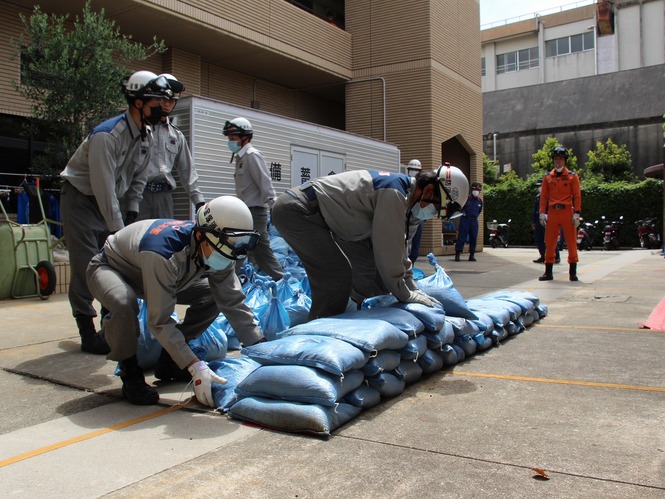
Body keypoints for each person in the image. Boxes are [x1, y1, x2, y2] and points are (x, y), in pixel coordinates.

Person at [86, 196, 267, 406]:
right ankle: (130, 373)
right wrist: (194, 365)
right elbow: (160, 321)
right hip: (112, 268)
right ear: (201, 236)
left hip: (161, 275)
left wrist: (260, 346)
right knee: (123, 302)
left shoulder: (222, 247)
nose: (227, 257)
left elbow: (232, 301)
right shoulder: (164, 251)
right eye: (225, 249)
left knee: (211, 295)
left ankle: (170, 362)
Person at [60, 71, 174, 355]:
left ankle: (108, 327)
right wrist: (117, 230)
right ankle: (87, 329)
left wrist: (132, 213)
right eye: (156, 100)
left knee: (114, 266)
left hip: (111, 201)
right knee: (88, 265)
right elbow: (103, 188)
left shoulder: (145, 135)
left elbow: (138, 179)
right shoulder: (107, 136)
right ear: (137, 102)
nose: (163, 106)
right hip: (82, 200)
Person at [271, 165, 469, 319]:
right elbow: (388, 250)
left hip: (334, 223)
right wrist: (404, 293)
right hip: (299, 210)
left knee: (370, 271)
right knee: (336, 274)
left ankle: (352, 312)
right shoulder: (394, 192)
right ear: (427, 191)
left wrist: (411, 286)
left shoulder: (411, 208)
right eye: (436, 209)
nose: (433, 215)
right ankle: (317, 334)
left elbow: (401, 252)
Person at [135, 73, 205, 220]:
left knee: (162, 237)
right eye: (164, 99)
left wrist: (199, 203)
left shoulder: (176, 135)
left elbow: (188, 171)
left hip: (164, 197)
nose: (167, 104)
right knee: (134, 239)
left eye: (172, 100)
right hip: (138, 194)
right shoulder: (138, 127)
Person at [223, 117, 284, 282]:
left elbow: (265, 183)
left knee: (244, 249)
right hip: (245, 213)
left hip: (255, 213)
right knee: (257, 252)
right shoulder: (240, 158)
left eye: (233, 137)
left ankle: (229, 284)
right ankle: (279, 280)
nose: (230, 141)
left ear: (245, 137)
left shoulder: (252, 156)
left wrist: (274, 207)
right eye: (229, 138)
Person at [539, 146, 582, 281]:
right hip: (552, 212)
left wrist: (577, 213)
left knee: (571, 242)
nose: (558, 162)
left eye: (561, 159)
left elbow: (577, 195)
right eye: (556, 159)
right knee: (550, 242)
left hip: (567, 212)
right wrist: (542, 212)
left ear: (565, 161)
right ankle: (548, 272)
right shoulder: (547, 177)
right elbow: (544, 196)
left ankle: (572, 272)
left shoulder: (572, 177)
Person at [532, 179, 560, 264]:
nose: (539, 188)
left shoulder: (550, 196)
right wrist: (533, 222)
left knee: (550, 239)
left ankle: (556, 256)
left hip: (548, 219)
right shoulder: (538, 197)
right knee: (539, 239)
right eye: (538, 186)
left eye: (540, 186)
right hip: (538, 220)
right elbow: (535, 210)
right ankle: (543, 256)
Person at [455, 181, 483, 261]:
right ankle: (458, 254)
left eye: (478, 190)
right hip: (465, 219)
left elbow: (479, 211)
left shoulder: (480, 201)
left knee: (473, 238)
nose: (476, 192)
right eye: (475, 190)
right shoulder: (466, 199)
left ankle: (472, 255)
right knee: (462, 237)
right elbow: (460, 208)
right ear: (471, 190)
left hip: (474, 221)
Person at [405, 159, 424, 263]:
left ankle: (412, 265)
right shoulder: (404, 182)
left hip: (417, 218)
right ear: (408, 170)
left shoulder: (422, 184)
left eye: (416, 170)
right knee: (405, 242)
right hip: (405, 218)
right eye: (412, 169)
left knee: (415, 243)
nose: (414, 171)